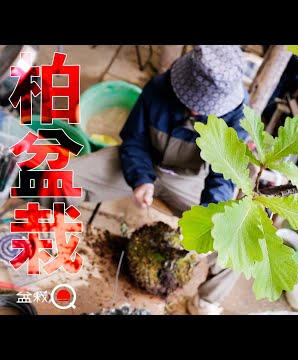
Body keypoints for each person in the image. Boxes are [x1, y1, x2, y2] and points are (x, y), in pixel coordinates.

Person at [44, 45, 248, 313]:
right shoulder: (159, 87)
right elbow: (135, 139)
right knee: (60, 179)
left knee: (236, 242)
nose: (197, 112)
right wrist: (142, 179)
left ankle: (205, 302)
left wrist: (212, 219)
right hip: (143, 160)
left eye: (206, 107)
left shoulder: (238, 114)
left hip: (190, 179)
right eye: (193, 103)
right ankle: (45, 241)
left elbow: (223, 176)